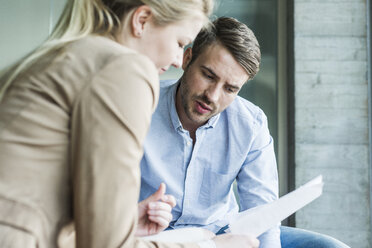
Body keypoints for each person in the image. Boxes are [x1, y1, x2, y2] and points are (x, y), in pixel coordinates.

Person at [0, 1, 259, 248]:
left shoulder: (64, 56)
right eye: (179, 43)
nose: (178, 61)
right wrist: (208, 246)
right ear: (141, 20)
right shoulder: (125, 69)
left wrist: (126, 223)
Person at [139, 17, 350, 248]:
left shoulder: (250, 124)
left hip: (223, 235)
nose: (213, 96)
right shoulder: (139, 104)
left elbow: (263, 212)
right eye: (208, 76)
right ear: (187, 58)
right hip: (155, 236)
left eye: (230, 89)